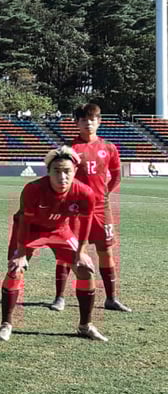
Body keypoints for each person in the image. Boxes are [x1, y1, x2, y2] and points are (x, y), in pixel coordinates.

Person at [0, 146, 108, 342]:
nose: (62, 177)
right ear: (48, 172)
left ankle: (85, 326)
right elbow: (25, 222)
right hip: (29, 231)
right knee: (15, 270)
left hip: (60, 230)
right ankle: (6, 324)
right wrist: (21, 253)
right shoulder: (33, 189)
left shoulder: (85, 193)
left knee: (86, 270)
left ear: (74, 172)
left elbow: (86, 223)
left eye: (67, 171)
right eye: (57, 171)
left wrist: (81, 252)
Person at [50, 103, 129, 312]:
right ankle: (59, 297)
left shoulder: (109, 147)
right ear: (77, 123)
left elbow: (116, 176)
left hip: (101, 208)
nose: (88, 124)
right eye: (84, 120)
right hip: (75, 208)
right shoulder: (69, 149)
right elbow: (60, 176)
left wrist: (103, 194)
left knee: (106, 251)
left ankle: (111, 298)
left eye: (92, 119)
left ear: (99, 121)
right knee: (68, 251)